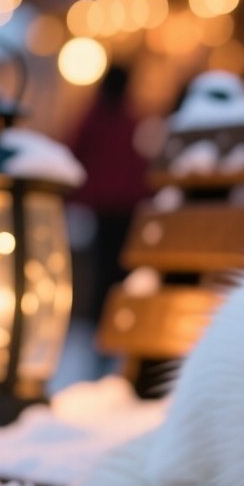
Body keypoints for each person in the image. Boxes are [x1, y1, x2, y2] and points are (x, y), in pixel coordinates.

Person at [69, 65, 149, 319]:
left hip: (105, 205)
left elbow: (75, 153)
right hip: (122, 205)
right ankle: (108, 317)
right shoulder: (129, 119)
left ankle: (102, 317)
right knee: (114, 268)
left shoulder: (96, 117)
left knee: (103, 268)